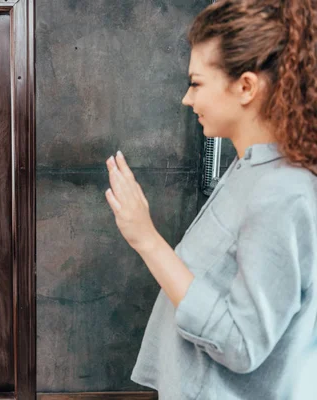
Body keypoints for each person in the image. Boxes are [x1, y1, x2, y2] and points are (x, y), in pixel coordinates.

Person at [104, 1, 317, 399]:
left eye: (197, 83)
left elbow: (240, 344)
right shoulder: (249, 168)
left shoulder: (283, 192)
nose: (187, 98)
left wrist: (146, 239)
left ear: (246, 87)